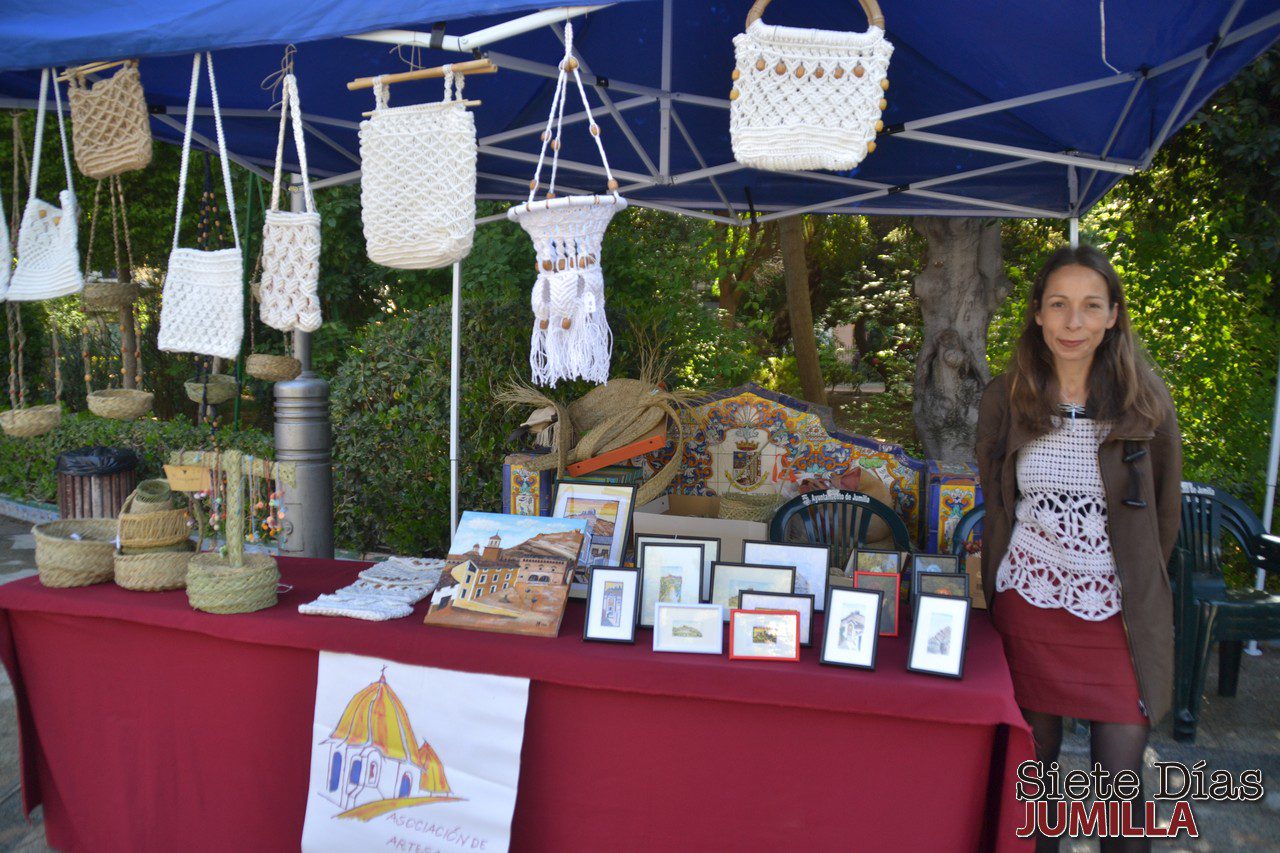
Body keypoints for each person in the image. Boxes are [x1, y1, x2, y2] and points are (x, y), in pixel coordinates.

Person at [975, 244, 1182, 852]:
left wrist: (1133, 584)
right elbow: (997, 501)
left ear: (1113, 315)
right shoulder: (1004, 397)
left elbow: (1164, 515)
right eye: (1059, 305)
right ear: (1037, 313)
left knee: (1119, 788)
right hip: (1028, 607)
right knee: (1031, 782)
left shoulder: (1146, 402)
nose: (1073, 323)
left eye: (1091, 306)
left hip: (1119, 617)